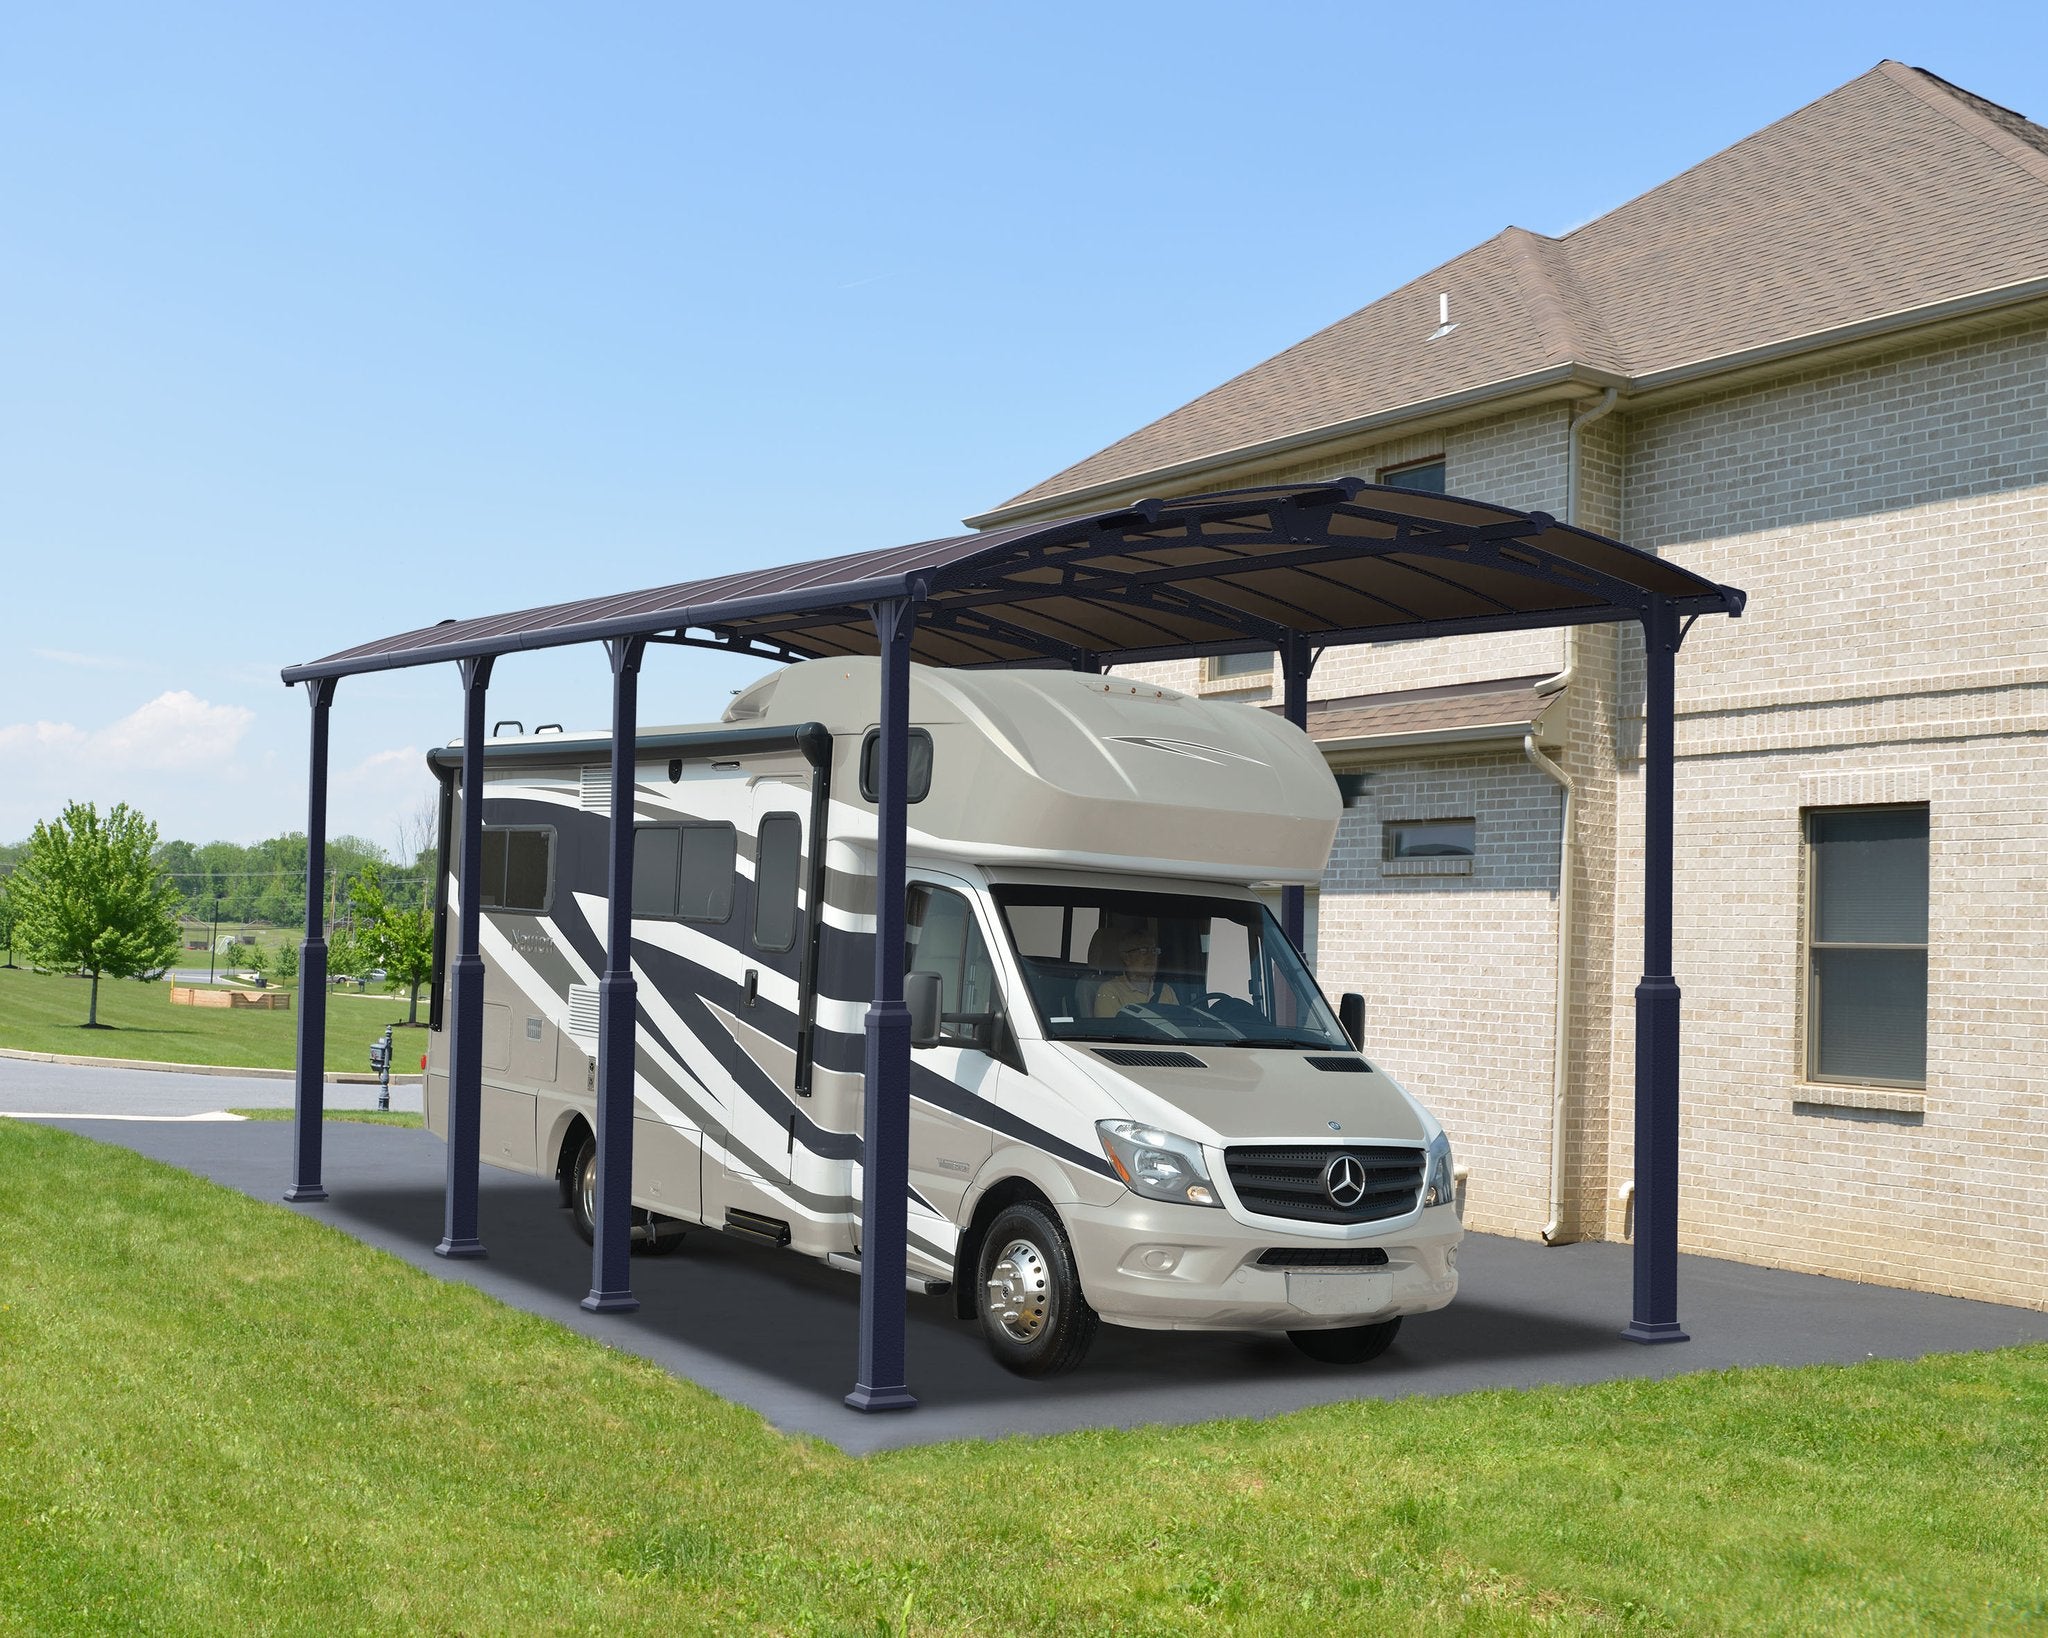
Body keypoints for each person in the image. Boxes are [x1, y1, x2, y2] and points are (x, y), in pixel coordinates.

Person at [1092, 925, 1180, 1017]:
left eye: (1154, 951)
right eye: (1144, 951)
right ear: (1126, 958)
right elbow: (1110, 1029)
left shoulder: (1166, 990)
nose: (1151, 956)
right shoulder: (1110, 990)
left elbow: (1178, 1026)